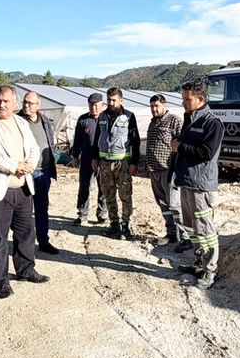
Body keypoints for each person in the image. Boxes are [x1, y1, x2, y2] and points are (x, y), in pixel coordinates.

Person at [0, 85, 49, 299]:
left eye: (6, 101)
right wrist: (13, 165)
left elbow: (34, 148)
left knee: (26, 233)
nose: (2, 104)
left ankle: (25, 270)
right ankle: (1, 280)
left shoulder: (21, 123)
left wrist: (29, 165)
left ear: (15, 103)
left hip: (23, 188)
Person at [172, 81, 224, 291]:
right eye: (183, 98)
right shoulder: (190, 118)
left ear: (200, 99)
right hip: (187, 182)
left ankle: (210, 269)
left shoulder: (212, 123)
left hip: (201, 185)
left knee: (205, 229)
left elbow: (207, 153)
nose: (184, 102)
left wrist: (180, 147)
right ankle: (199, 263)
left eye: (187, 99)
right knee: (192, 228)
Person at [145, 94, 192, 253]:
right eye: (152, 106)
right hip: (154, 170)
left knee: (175, 204)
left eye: (157, 105)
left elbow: (182, 144)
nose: (154, 109)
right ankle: (171, 233)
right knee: (163, 204)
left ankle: (185, 237)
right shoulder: (153, 123)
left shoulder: (174, 121)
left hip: (168, 169)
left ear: (164, 105)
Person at [92, 87, 140, 240]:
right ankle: (114, 224)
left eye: (114, 100)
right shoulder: (103, 116)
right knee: (109, 194)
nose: (111, 103)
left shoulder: (129, 117)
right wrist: (95, 157)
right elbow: (97, 138)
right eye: (109, 100)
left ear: (121, 100)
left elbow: (135, 141)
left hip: (122, 163)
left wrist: (134, 162)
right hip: (105, 163)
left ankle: (126, 225)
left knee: (125, 195)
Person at [18, 91, 59, 255]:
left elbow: (50, 142)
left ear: (38, 105)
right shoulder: (17, 121)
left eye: (30, 103)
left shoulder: (44, 121)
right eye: (25, 102)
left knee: (42, 208)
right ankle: (25, 246)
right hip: (27, 173)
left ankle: (43, 241)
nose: (27, 106)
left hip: (44, 172)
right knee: (25, 212)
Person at [69, 93, 108, 225]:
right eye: (91, 105)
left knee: (103, 187)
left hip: (103, 160)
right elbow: (77, 140)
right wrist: (75, 156)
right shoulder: (83, 120)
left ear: (102, 105)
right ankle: (82, 214)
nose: (94, 108)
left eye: (96, 105)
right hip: (86, 159)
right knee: (84, 187)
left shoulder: (107, 118)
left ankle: (102, 214)